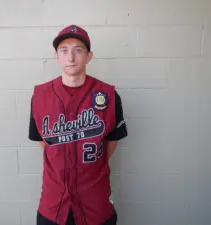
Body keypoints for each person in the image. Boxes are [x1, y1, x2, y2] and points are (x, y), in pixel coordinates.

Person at [28, 24, 128, 225]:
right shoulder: (40, 96)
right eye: (64, 50)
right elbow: (45, 143)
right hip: (53, 205)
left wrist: (88, 164)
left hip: (95, 203)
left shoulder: (108, 95)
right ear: (56, 56)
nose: (71, 57)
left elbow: (111, 142)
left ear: (89, 56)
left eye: (78, 50)